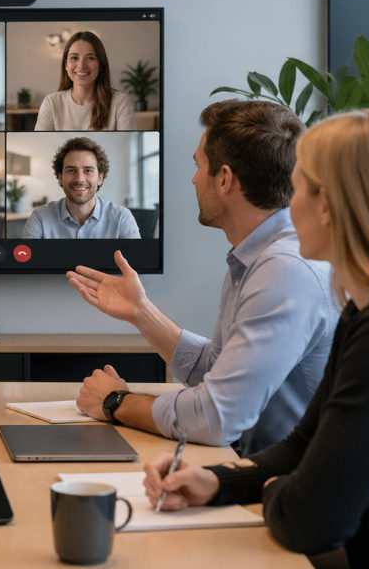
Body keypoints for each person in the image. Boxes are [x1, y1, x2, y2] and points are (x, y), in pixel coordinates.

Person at [143, 109, 369, 567]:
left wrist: (276, 489)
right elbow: (303, 445)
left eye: (298, 187)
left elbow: (310, 520)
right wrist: (219, 481)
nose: (287, 206)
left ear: (328, 205)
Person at [67, 100, 337, 457]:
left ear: (224, 178)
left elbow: (216, 417)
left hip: (282, 480)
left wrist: (115, 402)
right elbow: (217, 370)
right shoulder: (256, 258)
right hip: (253, 466)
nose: (194, 179)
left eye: (199, 166)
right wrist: (141, 311)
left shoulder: (284, 270)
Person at [23, 136, 140, 239]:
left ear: (100, 178)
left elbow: (135, 258)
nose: (79, 179)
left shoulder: (122, 218)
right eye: (71, 170)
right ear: (60, 177)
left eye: (88, 170)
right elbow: (24, 257)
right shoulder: (40, 218)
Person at [34, 31, 135, 131]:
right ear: (66, 65)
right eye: (74, 58)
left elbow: (127, 141)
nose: (81, 65)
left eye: (90, 58)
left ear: (100, 65)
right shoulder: (51, 103)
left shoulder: (120, 102)